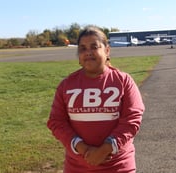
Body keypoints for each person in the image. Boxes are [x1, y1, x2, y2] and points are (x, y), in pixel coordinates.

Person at [47, 26, 145, 173]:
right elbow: (56, 122)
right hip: (77, 167)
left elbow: (132, 120)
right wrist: (82, 147)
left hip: (118, 166)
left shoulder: (123, 81)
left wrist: (106, 149)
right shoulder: (66, 85)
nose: (88, 53)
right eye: (83, 48)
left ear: (107, 51)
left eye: (94, 47)